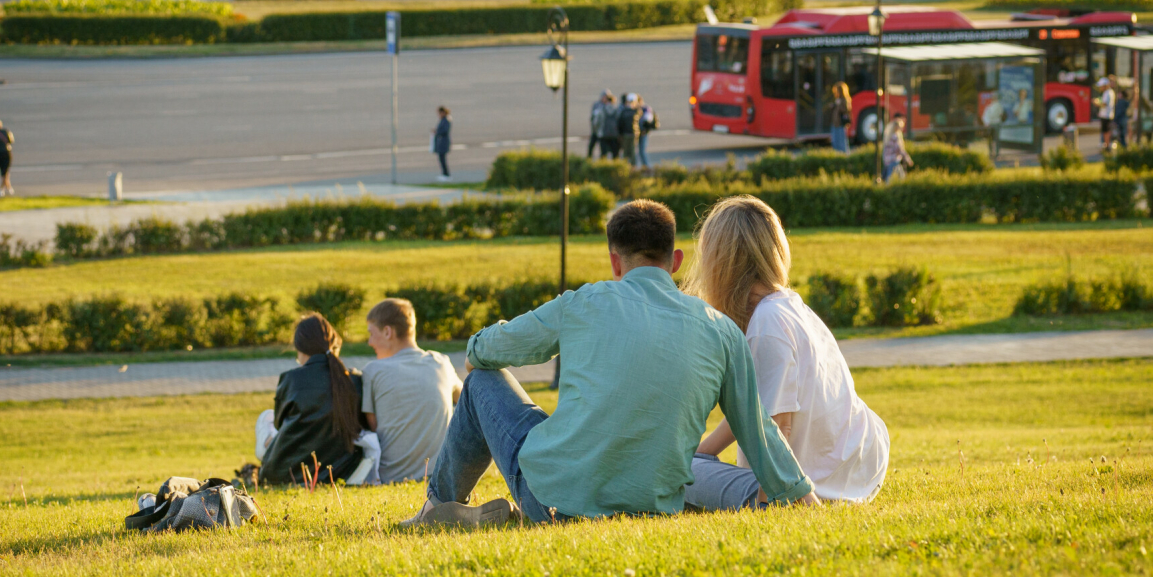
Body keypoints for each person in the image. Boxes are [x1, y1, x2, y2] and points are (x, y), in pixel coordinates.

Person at [401, 199, 817, 528]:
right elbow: (759, 431)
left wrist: (476, 354)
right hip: (653, 509)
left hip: (553, 501)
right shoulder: (722, 330)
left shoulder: (585, 301)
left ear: (615, 262)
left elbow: (488, 350)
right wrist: (802, 496)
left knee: (481, 384)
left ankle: (438, 507)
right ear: (675, 260)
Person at [682, 196, 890, 507]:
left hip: (817, 482)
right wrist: (704, 452)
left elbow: (778, 426)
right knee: (693, 462)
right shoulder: (789, 305)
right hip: (859, 465)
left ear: (721, 262)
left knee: (675, 474)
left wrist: (770, 505)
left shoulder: (767, 325)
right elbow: (756, 409)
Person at [256, 313, 375, 486]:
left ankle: (264, 451)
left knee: (265, 418)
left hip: (283, 473)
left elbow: (279, 424)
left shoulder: (292, 380)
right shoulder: (354, 381)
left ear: (300, 348)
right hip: (339, 471)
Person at [362, 298, 462, 484]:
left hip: (392, 478)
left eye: (371, 334)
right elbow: (467, 402)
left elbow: (373, 427)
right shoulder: (441, 363)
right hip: (441, 475)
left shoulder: (373, 371)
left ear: (387, 332)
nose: (369, 342)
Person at [882, 112, 912, 182]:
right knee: (898, 177)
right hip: (894, 160)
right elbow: (900, 149)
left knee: (889, 177)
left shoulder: (888, 136)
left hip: (887, 160)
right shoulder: (895, 137)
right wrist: (908, 159)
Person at [588, 90, 613, 159]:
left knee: (603, 148)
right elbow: (593, 117)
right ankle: (589, 159)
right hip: (596, 130)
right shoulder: (597, 105)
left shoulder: (609, 105)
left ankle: (602, 160)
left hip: (603, 131)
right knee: (591, 146)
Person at [616, 93, 640, 166]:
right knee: (630, 151)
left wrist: (619, 133)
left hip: (628, 134)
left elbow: (619, 123)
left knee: (627, 151)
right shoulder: (634, 111)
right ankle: (631, 166)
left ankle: (628, 166)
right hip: (631, 133)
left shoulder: (623, 111)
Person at [829, 82, 852, 153]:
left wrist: (838, 105)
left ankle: (844, 156)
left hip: (840, 123)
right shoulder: (837, 99)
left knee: (842, 142)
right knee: (835, 141)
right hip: (835, 122)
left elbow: (846, 110)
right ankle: (837, 155)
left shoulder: (845, 99)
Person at [636, 95, 658, 167]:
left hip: (643, 132)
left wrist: (644, 130)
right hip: (638, 132)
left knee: (642, 151)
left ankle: (647, 166)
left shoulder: (645, 109)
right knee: (639, 151)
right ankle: (644, 166)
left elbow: (648, 120)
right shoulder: (638, 109)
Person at [598, 91, 621, 159]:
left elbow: (598, 121)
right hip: (614, 134)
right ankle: (615, 166)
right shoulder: (616, 110)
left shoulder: (602, 109)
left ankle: (603, 166)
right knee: (615, 153)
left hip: (604, 134)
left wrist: (598, 131)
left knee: (603, 153)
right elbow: (619, 121)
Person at [432, 105, 451, 181]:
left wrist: (437, 132)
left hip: (444, 142)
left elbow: (445, 131)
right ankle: (444, 173)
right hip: (441, 142)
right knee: (441, 159)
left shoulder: (446, 120)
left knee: (443, 159)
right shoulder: (443, 120)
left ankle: (446, 174)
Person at [1097, 77, 1116, 151]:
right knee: (1106, 131)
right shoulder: (1110, 92)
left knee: (1106, 131)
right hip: (1108, 115)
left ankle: (1107, 146)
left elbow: (1104, 104)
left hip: (1106, 115)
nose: (1100, 88)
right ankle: (1106, 145)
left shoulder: (1107, 92)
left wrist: (1097, 103)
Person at [1113, 77, 1130, 149]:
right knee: (1123, 135)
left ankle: (1124, 148)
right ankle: (1124, 147)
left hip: (1120, 120)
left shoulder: (1121, 102)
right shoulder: (1126, 102)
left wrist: (1114, 120)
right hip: (1124, 120)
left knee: (1121, 135)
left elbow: (1118, 112)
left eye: (1119, 94)